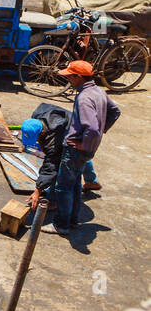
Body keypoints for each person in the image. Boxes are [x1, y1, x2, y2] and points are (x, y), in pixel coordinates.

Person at [49, 61, 120, 234]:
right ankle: (72, 220)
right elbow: (115, 111)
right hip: (88, 150)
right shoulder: (99, 92)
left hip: (76, 150)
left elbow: (93, 128)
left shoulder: (84, 98)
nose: (68, 80)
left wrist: (84, 142)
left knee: (63, 187)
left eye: (70, 77)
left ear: (78, 77)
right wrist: (99, 134)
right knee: (74, 184)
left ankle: (61, 224)